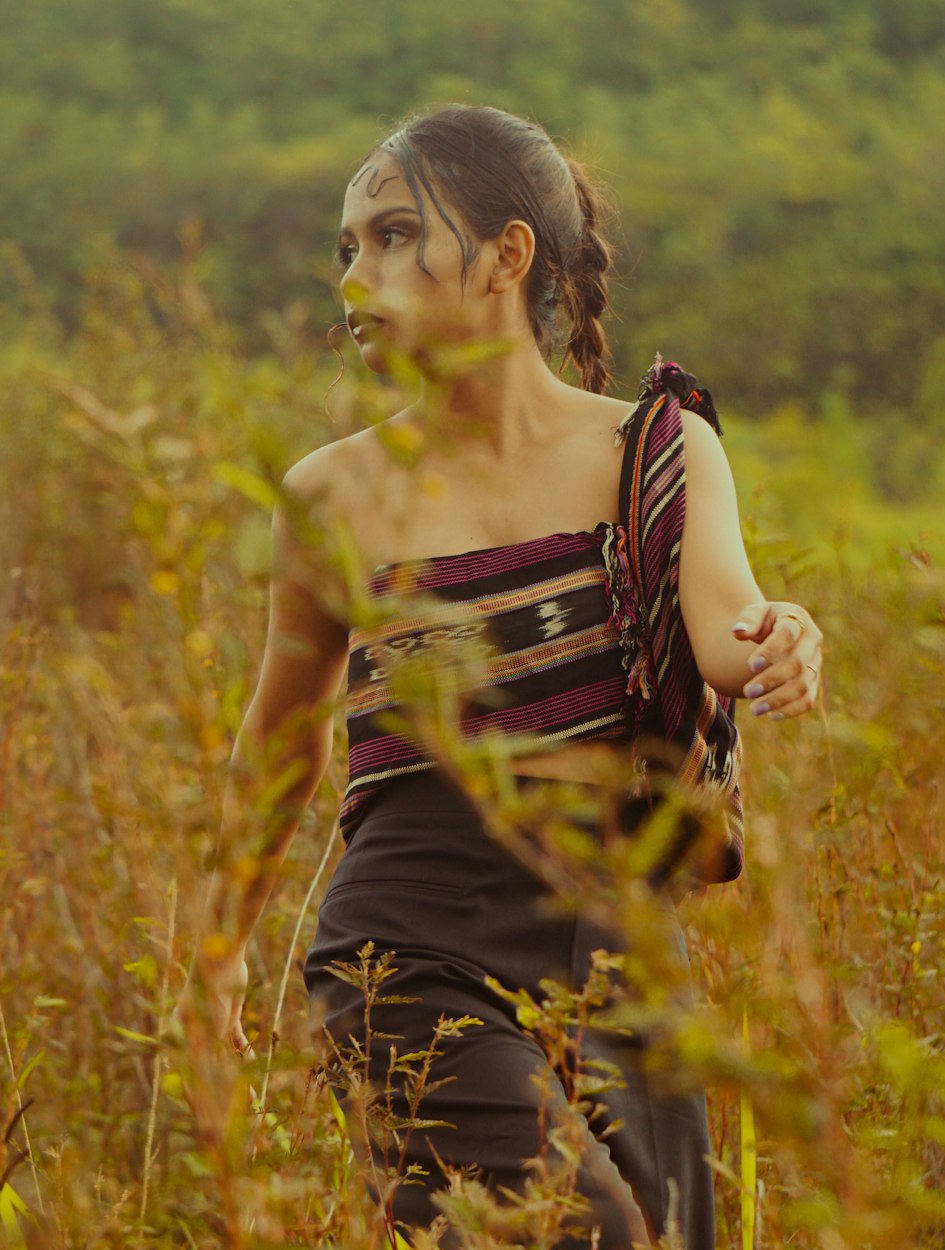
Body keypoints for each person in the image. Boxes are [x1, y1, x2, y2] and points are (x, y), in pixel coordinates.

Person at [180, 104, 823, 1249]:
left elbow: (728, 623)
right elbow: (279, 741)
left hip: (620, 943)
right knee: (586, 1235)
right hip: (407, 938)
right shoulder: (333, 494)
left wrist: (784, 634)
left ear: (505, 256)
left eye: (387, 237)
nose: (354, 279)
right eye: (346, 249)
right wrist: (215, 957)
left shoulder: (656, 446)